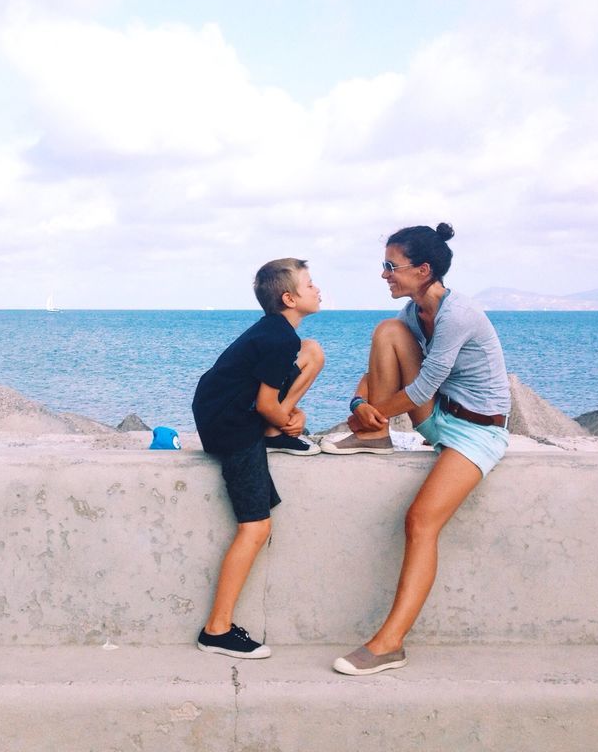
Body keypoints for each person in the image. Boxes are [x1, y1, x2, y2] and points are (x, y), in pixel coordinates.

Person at [321, 223, 510, 675]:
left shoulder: (458, 314)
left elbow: (424, 384)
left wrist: (376, 409)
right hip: (438, 417)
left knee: (420, 521)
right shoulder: (411, 312)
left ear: (423, 269)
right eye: (384, 265)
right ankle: (373, 437)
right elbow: (375, 377)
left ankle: (390, 644)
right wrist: (360, 406)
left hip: (478, 432)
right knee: (386, 330)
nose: (384, 274)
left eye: (392, 266)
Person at [191, 258, 325, 659]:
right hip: (231, 427)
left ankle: (273, 436)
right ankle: (216, 629)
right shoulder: (277, 338)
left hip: (226, 410)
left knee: (314, 353)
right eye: (310, 284)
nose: (318, 289)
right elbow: (267, 402)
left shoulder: (280, 334)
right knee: (255, 528)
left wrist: (283, 418)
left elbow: (270, 396)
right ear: (289, 298)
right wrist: (287, 421)